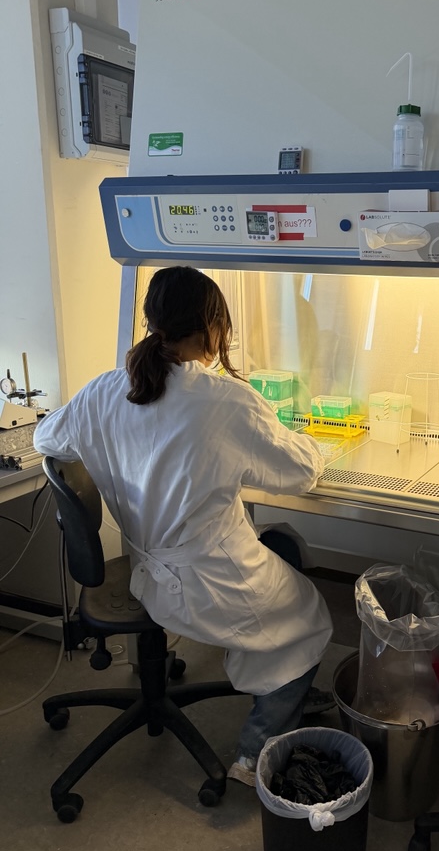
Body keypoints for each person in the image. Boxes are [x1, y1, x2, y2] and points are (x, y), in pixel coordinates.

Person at [34, 265, 334, 787]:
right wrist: (306, 438)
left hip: (145, 573)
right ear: (214, 326)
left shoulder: (103, 390)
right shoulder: (227, 400)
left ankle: (274, 688)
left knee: (275, 554)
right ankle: (255, 752)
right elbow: (301, 472)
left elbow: (46, 440)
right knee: (308, 616)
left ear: (152, 321)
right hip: (208, 581)